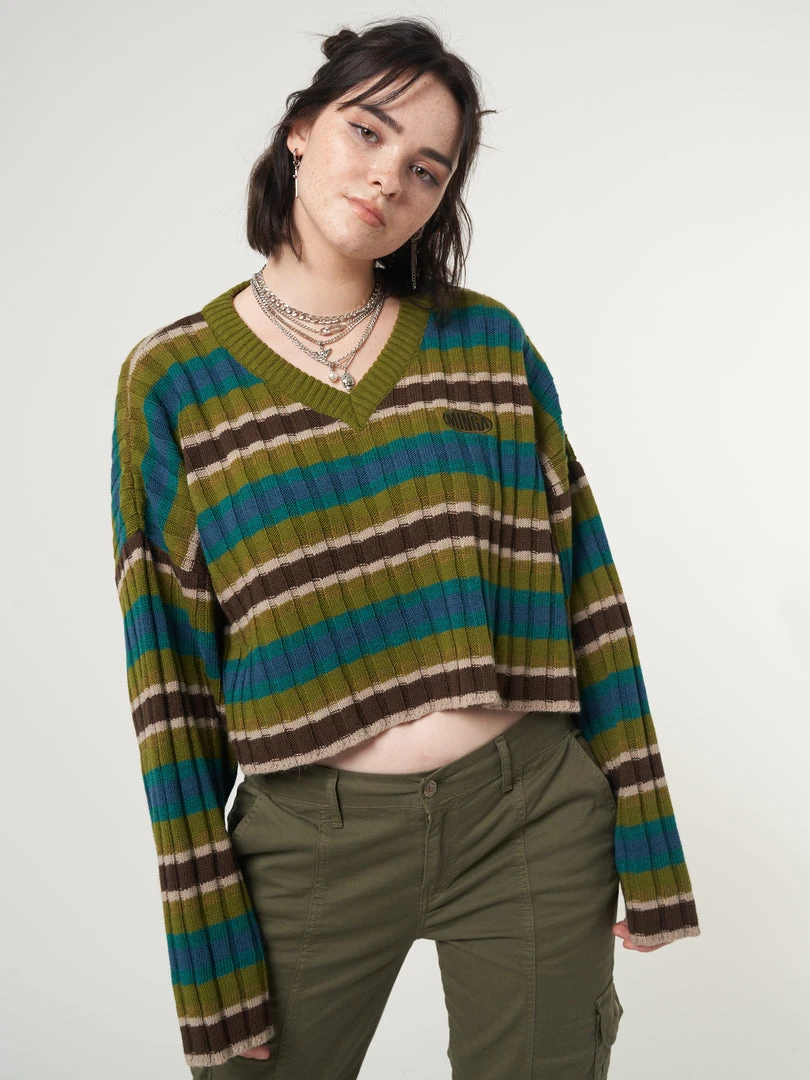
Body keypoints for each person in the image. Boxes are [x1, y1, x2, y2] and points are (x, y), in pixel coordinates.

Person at [110, 16, 700, 1079]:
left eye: (428, 168)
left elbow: (588, 594)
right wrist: (207, 954)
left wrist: (650, 847)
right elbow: (170, 681)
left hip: (530, 812)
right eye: (367, 131)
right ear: (300, 129)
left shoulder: (488, 344)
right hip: (311, 836)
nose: (391, 177)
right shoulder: (176, 381)